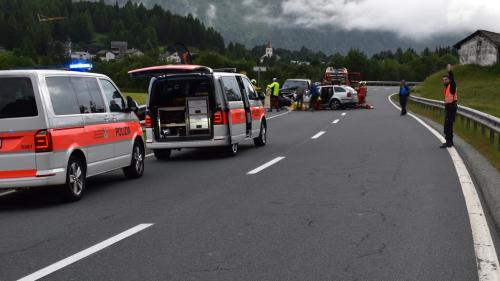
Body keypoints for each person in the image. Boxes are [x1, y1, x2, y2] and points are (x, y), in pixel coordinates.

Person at [441, 64, 458, 148]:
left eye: (446, 79)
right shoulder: (446, 87)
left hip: (451, 107)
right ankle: (449, 141)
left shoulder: (452, 86)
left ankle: (449, 142)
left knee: (448, 126)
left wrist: (450, 71)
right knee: (447, 125)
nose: (444, 81)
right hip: (449, 108)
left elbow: (452, 79)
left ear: (449, 80)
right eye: (443, 80)